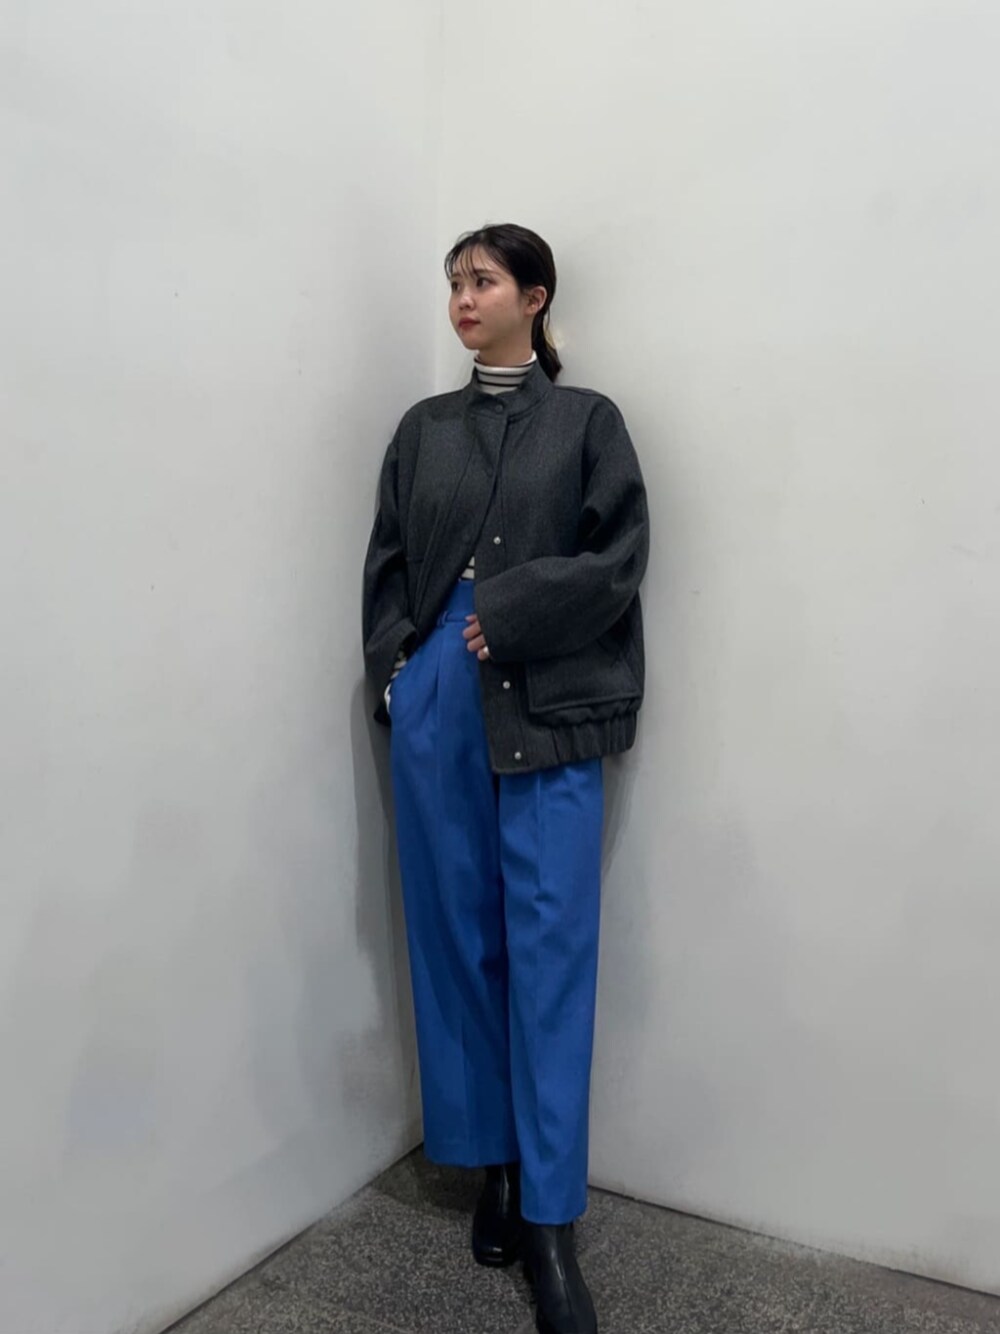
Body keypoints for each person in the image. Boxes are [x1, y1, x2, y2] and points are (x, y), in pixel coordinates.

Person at [361, 223, 649, 1334]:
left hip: (549, 700)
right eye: (453, 283)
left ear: (535, 296)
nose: (462, 299)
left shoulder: (588, 423)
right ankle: (491, 1164)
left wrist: (513, 611)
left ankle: (550, 1218)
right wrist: (398, 672)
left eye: (481, 280)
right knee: (456, 939)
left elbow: (618, 558)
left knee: (551, 952)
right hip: (439, 701)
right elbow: (389, 563)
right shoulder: (422, 430)